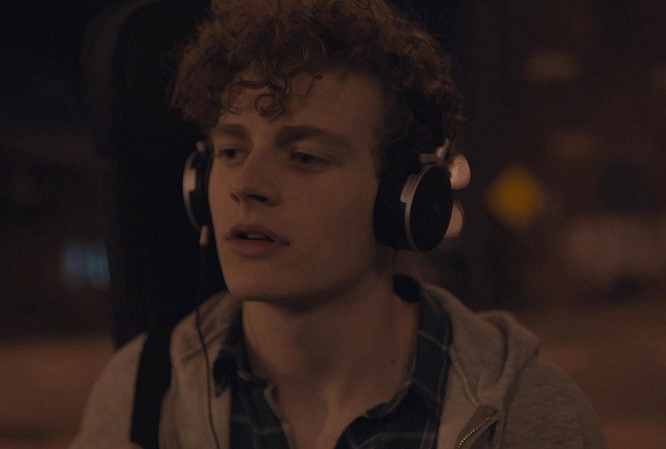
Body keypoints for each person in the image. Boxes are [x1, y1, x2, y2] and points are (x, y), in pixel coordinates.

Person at [71, 1, 607, 448]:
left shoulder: (527, 417)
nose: (246, 184)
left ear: (404, 199)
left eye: (304, 156)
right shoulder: (144, 393)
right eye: (231, 150)